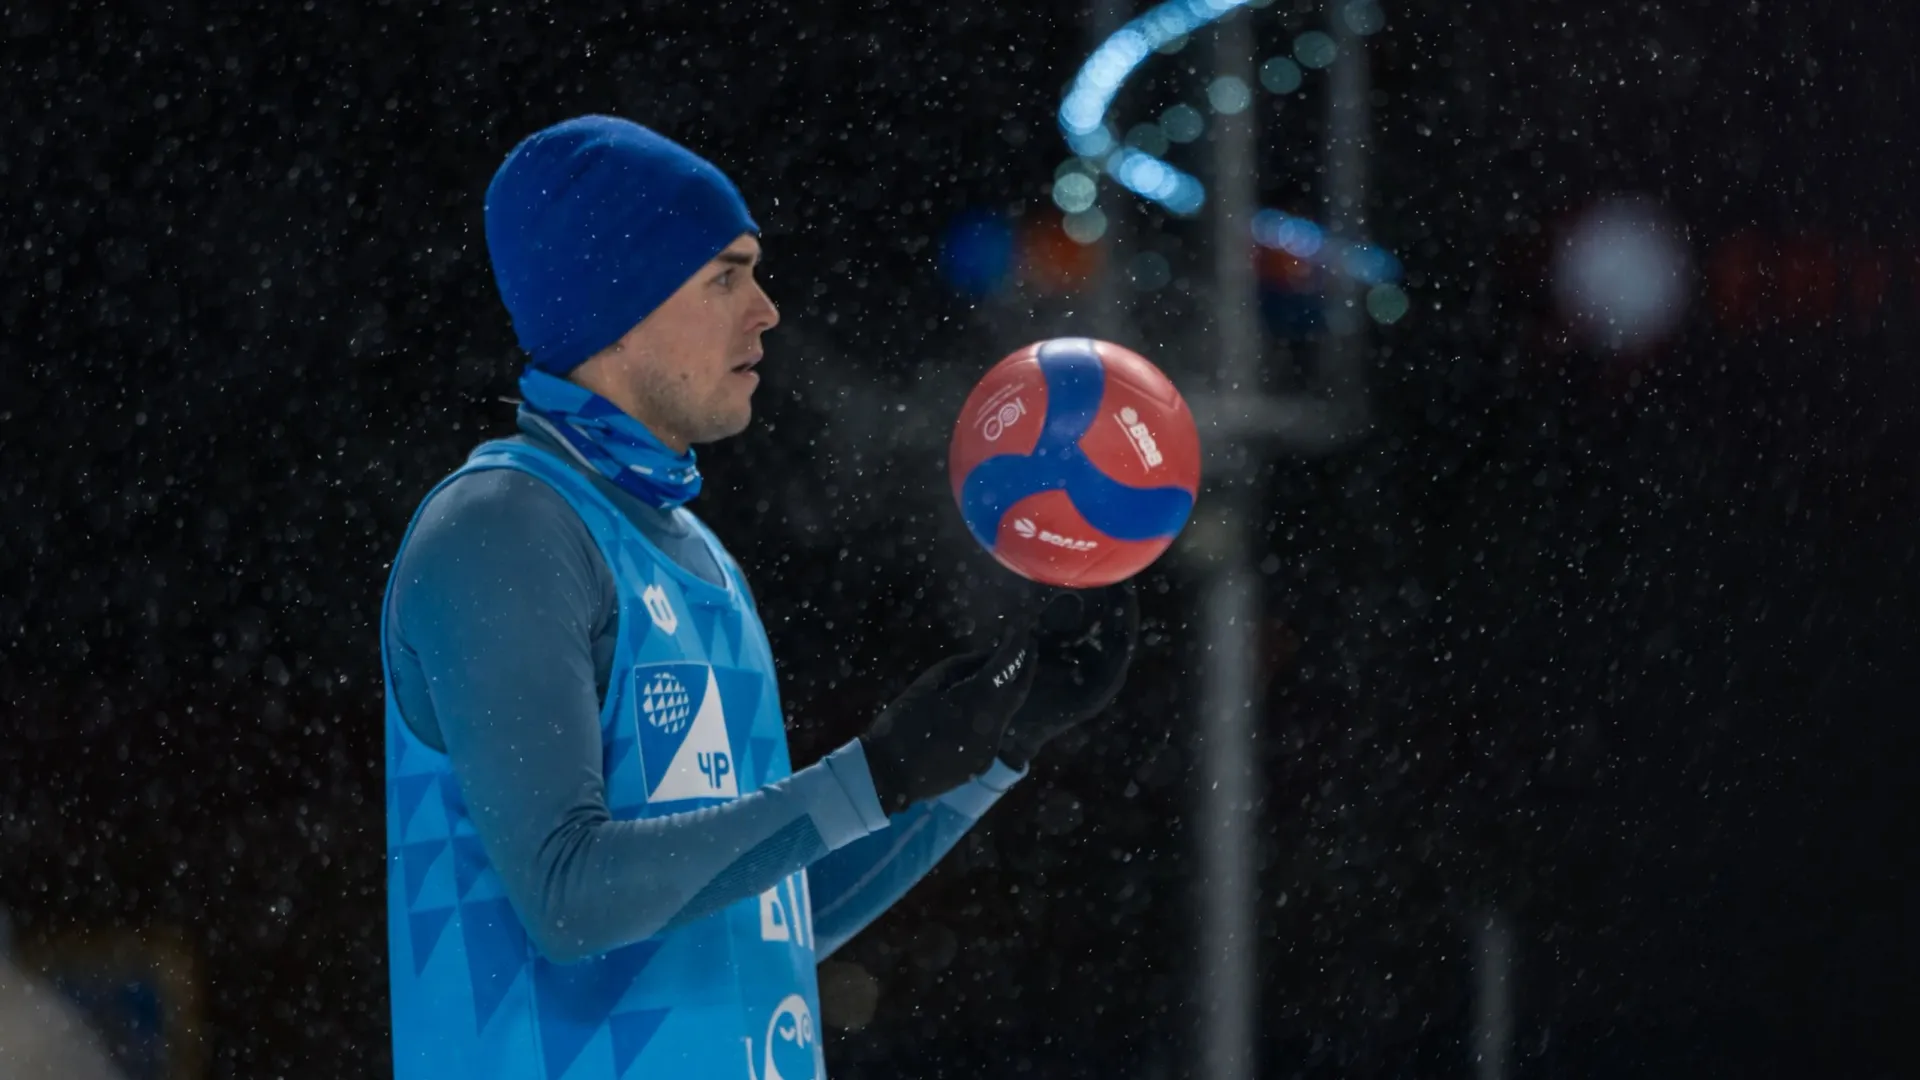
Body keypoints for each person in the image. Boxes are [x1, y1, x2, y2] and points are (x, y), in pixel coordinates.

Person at [380, 115, 1139, 1080]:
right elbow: (566, 897)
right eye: (726, 276)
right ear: (622, 304)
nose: (767, 310)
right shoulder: (503, 528)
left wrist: (993, 752)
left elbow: (759, 925)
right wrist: (878, 772)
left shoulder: (698, 557)